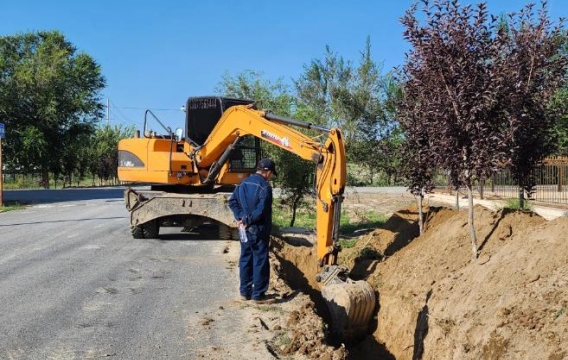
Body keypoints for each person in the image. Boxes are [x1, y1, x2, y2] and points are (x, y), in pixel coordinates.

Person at [228, 158, 277, 304]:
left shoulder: (243, 183)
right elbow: (261, 210)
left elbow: (232, 202)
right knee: (260, 261)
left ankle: (244, 292)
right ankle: (258, 295)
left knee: (245, 259)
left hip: (244, 230)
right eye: (272, 173)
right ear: (267, 172)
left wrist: (241, 218)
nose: (271, 176)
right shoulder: (265, 187)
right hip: (258, 230)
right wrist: (248, 220)